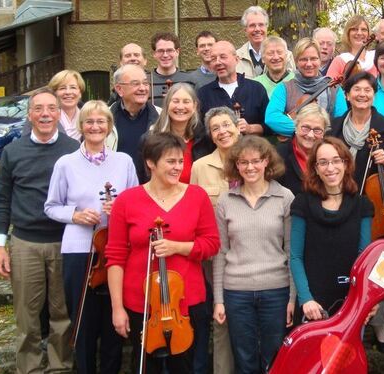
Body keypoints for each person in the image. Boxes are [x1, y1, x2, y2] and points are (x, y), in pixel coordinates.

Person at [106, 133, 220, 373]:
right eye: (170, 161)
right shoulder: (127, 201)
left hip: (187, 301)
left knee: (185, 366)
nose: (177, 167)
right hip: (141, 302)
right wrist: (118, 307)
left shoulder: (197, 197)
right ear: (150, 162)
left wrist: (178, 247)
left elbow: (211, 244)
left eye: (180, 161)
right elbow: (115, 257)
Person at [44, 100, 138, 374]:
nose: (95, 127)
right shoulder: (66, 163)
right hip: (79, 249)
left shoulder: (124, 161)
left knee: (113, 321)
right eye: (89, 122)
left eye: (101, 122)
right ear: (81, 126)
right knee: (83, 322)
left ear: (109, 127)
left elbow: (134, 203)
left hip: (116, 249)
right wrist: (75, 215)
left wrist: (120, 208)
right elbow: (51, 206)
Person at [0, 87, 79, 373]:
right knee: (27, 315)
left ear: (58, 113)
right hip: (25, 242)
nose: (45, 114)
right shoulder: (12, 152)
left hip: (63, 241)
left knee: (61, 312)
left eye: (51, 108)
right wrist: (0, 245)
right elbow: (2, 200)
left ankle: (60, 366)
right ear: (29, 114)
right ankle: (28, 368)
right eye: (38, 109)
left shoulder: (71, 150)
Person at [213, 135, 295, 374]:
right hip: (236, 292)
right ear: (236, 165)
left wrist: (291, 298)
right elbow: (220, 252)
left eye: (256, 161)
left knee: (275, 357)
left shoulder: (285, 197)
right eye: (243, 162)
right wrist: (219, 299)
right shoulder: (226, 200)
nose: (250, 167)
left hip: (276, 290)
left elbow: (291, 251)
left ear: (267, 161)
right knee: (244, 358)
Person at [290, 136, 374, 323]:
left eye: (336, 160)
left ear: (346, 164)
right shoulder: (302, 203)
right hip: (312, 304)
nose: (330, 168)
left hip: (350, 302)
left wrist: (363, 300)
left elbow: (364, 257)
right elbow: (296, 257)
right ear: (315, 169)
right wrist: (306, 299)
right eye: (323, 162)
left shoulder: (362, 205)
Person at [190, 106, 242, 374]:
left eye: (226, 125)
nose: (223, 132)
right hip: (216, 257)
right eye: (216, 128)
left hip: (250, 254)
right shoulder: (200, 167)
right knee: (220, 318)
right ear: (210, 135)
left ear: (238, 126)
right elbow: (194, 214)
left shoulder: (255, 159)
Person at [265, 37, 347, 138]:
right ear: (296, 62)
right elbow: (272, 117)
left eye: (313, 59)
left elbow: (341, 121)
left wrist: (319, 134)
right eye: (303, 59)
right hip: (293, 148)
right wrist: (304, 131)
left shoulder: (334, 88)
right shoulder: (284, 88)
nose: (309, 64)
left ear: (320, 60)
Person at [329, 72, 384, 187]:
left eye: (367, 90)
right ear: (347, 95)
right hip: (336, 193)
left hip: (372, 198)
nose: (362, 94)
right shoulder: (333, 128)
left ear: (374, 95)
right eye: (356, 89)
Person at [136, 83, 212, 183]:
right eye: (175, 101)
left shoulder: (205, 139)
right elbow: (143, 179)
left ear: (194, 106)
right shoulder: (149, 139)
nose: (180, 107)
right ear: (167, 105)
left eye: (186, 102)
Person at [198, 40, 268, 136]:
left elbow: (269, 126)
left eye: (223, 57)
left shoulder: (256, 89)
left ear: (237, 59)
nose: (218, 62)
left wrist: (251, 128)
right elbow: (200, 131)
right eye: (213, 59)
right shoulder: (203, 94)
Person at [108, 64, 160, 166]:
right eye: (135, 84)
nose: (142, 88)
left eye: (145, 83)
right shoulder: (104, 118)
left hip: (150, 181)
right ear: (119, 89)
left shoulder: (162, 116)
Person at [276, 103, 328, 195]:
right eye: (305, 128)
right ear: (296, 126)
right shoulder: (278, 155)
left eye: (317, 130)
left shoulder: (330, 155)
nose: (310, 135)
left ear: (324, 132)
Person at [236, 5, 295, 78]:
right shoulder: (236, 57)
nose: (257, 29)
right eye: (252, 25)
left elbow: (292, 85)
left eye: (261, 25)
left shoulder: (286, 56)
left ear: (267, 27)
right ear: (245, 30)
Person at [149, 32, 196, 107]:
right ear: (154, 54)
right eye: (160, 51)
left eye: (169, 50)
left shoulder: (190, 80)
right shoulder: (146, 81)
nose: (165, 55)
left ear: (177, 52)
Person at [48, 70, 85, 141]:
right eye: (62, 88)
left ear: (80, 93)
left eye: (73, 87)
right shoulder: (44, 117)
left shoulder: (88, 116)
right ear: (54, 93)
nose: (68, 92)